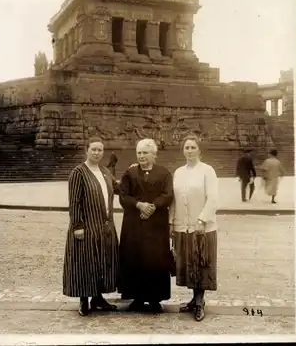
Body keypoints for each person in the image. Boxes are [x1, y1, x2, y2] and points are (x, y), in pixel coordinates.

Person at [63, 136, 119, 316]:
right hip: (86, 227)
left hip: (104, 226)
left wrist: (132, 173)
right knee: (85, 262)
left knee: (101, 262)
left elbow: (117, 188)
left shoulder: (104, 171)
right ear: (86, 150)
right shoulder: (78, 172)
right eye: (93, 149)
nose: (97, 153)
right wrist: (77, 226)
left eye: (100, 150)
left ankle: (98, 298)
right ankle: (84, 300)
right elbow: (74, 202)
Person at [118, 138, 174, 312]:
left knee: (155, 260)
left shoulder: (164, 173)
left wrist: (153, 206)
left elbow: (168, 194)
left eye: (145, 153)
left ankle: (155, 298)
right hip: (134, 225)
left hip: (156, 226)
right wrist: (139, 204)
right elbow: (123, 196)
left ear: (154, 154)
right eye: (139, 153)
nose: (142, 156)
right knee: (135, 259)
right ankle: (137, 297)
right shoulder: (130, 173)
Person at [169, 134, 218, 322]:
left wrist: (202, 220)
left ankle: (200, 302)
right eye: (186, 147)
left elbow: (213, 198)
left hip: (202, 228)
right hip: (183, 226)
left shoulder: (208, 171)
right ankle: (193, 299)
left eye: (192, 147)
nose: (189, 151)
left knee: (201, 264)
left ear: (199, 150)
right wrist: (172, 222)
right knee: (189, 264)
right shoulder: (179, 172)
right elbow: (174, 199)